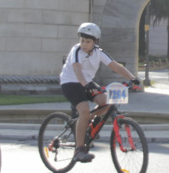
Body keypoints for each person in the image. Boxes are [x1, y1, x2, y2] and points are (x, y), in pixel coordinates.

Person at [58, 23, 141, 163]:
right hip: (70, 83)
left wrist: (132, 78)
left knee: (108, 102)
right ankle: (79, 150)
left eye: (88, 41)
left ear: (95, 41)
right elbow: (77, 70)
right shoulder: (76, 51)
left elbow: (116, 66)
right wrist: (87, 84)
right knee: (83, 110)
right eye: (82, 40)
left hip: (87, 83)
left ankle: (87, 119)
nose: (84, 44)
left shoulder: (99, 52)